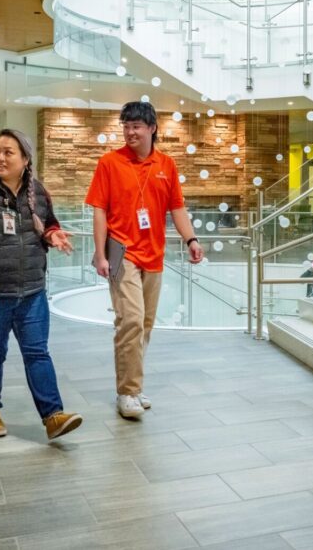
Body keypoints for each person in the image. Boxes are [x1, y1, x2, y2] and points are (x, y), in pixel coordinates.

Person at [0, 129, 83, 440]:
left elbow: (47, 222)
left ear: (25, 159)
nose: (0, 157)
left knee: (38, 352)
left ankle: (53, 416)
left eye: (8, 152)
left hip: (32, 291)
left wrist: (54, 234)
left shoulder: (38, 191)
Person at [85, 101, 204, 419]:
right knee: (132, 320)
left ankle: (133, 386)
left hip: (154, 253)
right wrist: (99, 253)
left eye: (136, 125)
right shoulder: (109, 162)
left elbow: (176, 208)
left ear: (152, 128)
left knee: (145, 325)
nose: (129, 131)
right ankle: (127, 392)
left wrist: (191, 239)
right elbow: (98, 209)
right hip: (121, 252)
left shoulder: (167, 164)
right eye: (125, 125)